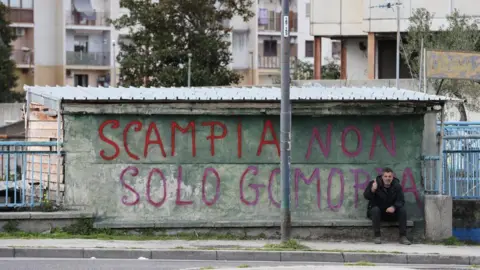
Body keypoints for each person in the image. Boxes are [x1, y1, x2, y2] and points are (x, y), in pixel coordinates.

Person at [364, 167, 411, 245]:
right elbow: (366, 196)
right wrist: (373, 189)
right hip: (378, 213)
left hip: (391, 213)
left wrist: (394, 207)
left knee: (402, 210)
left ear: (392, 177)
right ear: (382, 177)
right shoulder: (374, 183)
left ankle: (403, 236)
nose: (387, 178)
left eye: (389, 176)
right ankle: (377, 236)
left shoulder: (397, 186)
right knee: (375, 210)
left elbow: (401, 200)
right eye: (385, 176)